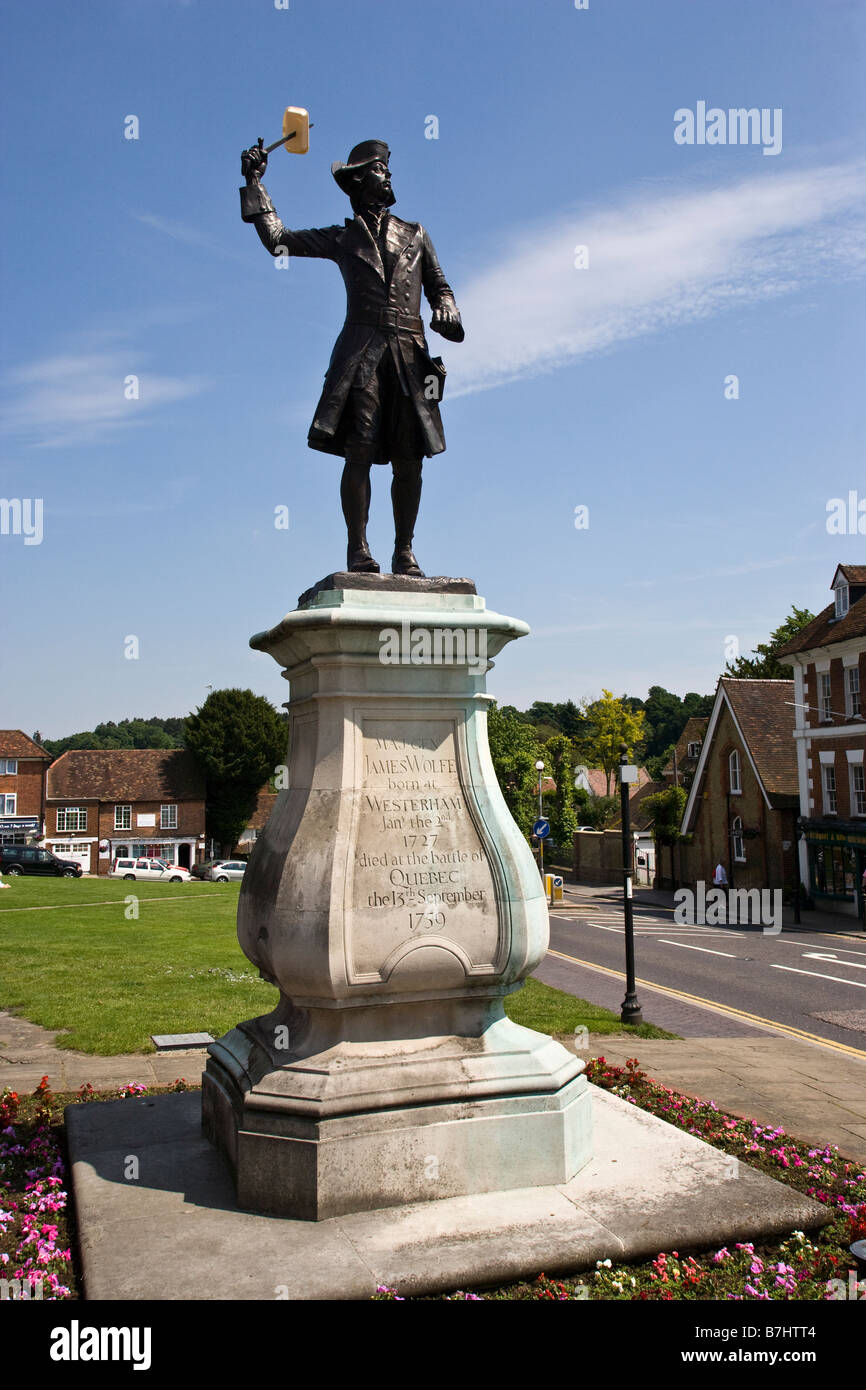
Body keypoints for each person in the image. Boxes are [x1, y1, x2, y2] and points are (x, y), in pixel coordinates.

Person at [239, 138, 464, 576]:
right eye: (381, 168)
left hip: (410, 356)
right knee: (358, 450)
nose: (389, 175)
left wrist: (447, 309)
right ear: (360, 179)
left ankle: (405, 551)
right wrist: (254, 181)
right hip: (361, 353)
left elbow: (441, 287)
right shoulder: (343, 238)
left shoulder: (416, 234)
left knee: (409, 457)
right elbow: (279, 241)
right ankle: (358, 549)